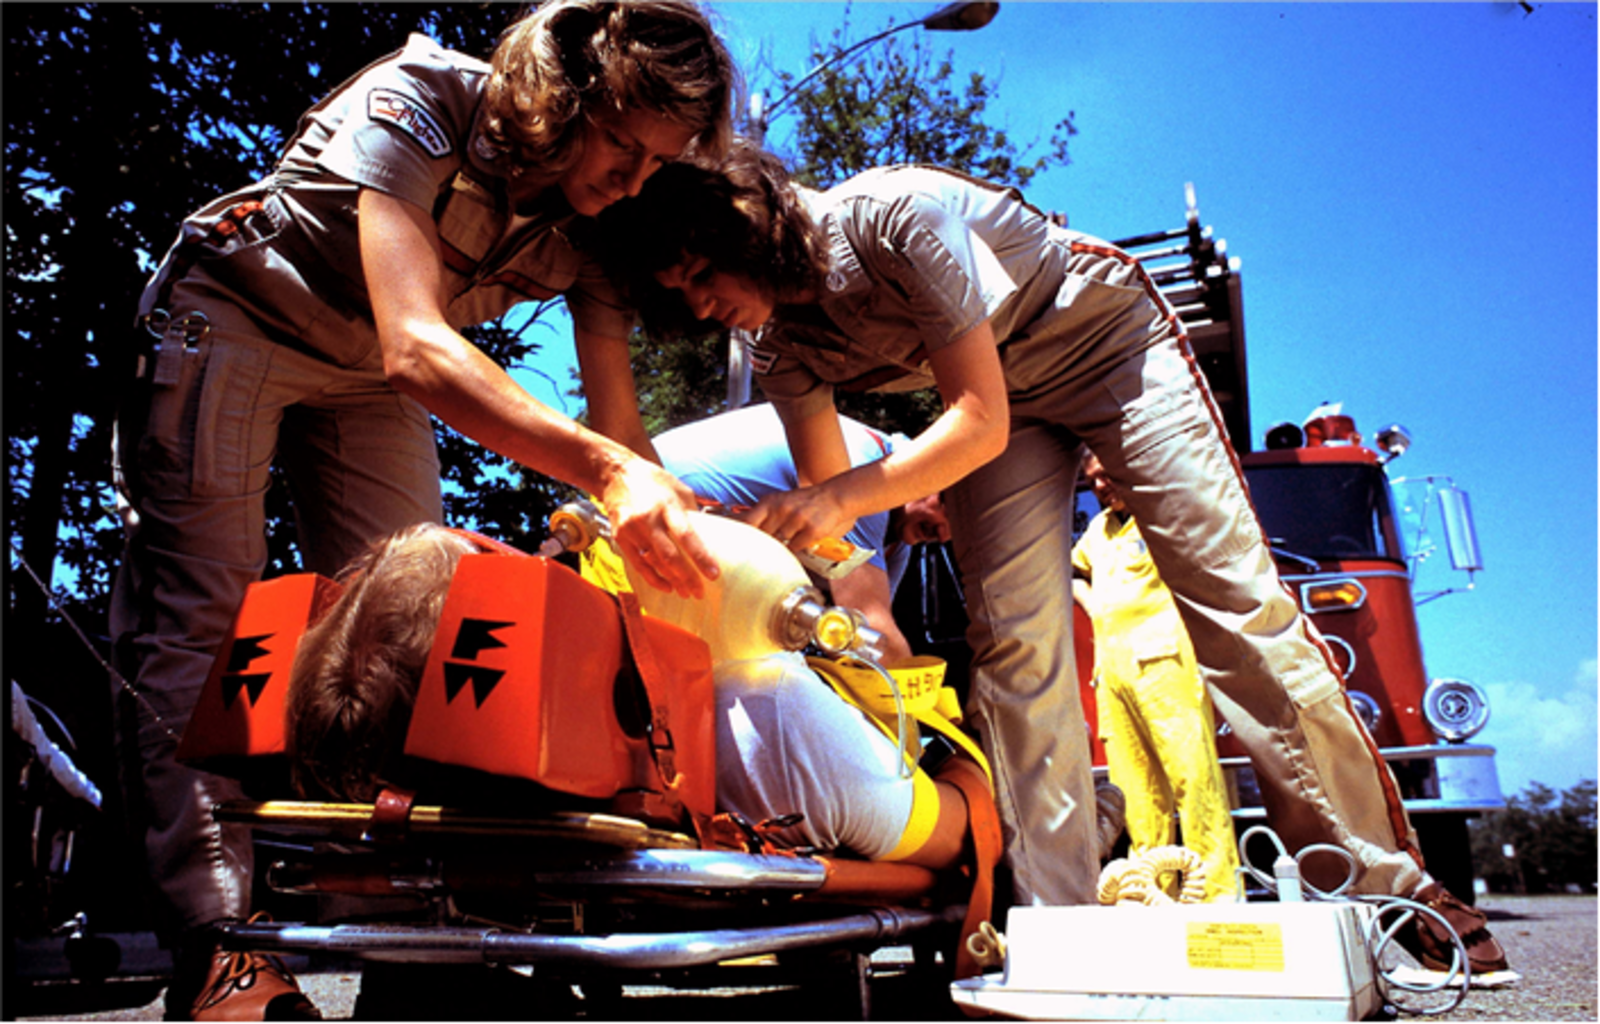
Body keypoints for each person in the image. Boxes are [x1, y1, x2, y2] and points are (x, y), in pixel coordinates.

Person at [597, 143, 1507, 973]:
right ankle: (1059, 931)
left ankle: (1385, 889)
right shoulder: (779, 344)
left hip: (1103, 343)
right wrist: (782, 538)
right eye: (679, 292)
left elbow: (969, 420)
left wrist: (830, 501)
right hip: (1005, 413)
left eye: (704, 272)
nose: (698, 301)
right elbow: (840, 518)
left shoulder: (890, 214)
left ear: (752, 222)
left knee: (1230, 600)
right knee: (1016, 651)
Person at [108, 4, 736, 1018]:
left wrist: (681, 535)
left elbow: (620, 433)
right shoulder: (423, 101)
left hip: (362, 378)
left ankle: (413, 949)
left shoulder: (606, 224)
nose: (633, 181)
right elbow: (415, 340)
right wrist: (611, 475)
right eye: (623, 142)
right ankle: (220, 947)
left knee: (416, 629)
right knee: (205, 623)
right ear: (566, 90)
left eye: (658, 162)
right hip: (238, 312)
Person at [285, 521, 977, 872]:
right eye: (520, 574)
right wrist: (968, 745)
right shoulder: (769, 711)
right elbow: (960, 832)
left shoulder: (448, 805)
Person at [652, 402, 950, 660]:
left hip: (690, 543)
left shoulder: (897, 538)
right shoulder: (867, 468)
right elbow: (869, 628)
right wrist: (922, 709)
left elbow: (871, 637)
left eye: (956, 535)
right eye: (948, 508)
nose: (944, 532)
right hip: (653, 509)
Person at [1072, 453, 1241, 902]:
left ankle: (1218, 894)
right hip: (1112, 671)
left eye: (1107, 475)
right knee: (1135, 795)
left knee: (1193, 778)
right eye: (1093, 482)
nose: (1102, 487)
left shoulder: (1163, 513)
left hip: (1164, 660)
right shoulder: (1098, 530)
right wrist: (1099, 608)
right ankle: (1152, 892)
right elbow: (1071, 572)